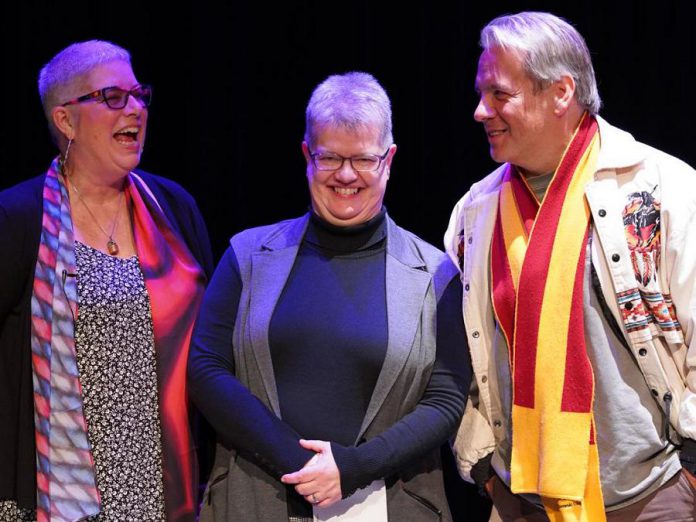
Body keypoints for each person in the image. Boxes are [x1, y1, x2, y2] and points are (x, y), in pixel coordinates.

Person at [445, 11, 696, 522]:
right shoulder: (475, 213)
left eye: (499, 94)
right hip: (523, 501)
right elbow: (464, 353)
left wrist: (689, 468)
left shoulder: (662, 189)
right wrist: (484, 473)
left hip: (651, 497)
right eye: (481, 93)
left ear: (561, 92)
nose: (480, 111)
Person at [188, 71, 472, 521]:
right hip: (256, 500)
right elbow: (206, 370)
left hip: (389, 503)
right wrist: (303, 467)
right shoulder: (248, 256)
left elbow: (446, 397)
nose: (345, 175)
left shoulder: (434, 274)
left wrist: (354, 468)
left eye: (362, 159)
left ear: (389, 159)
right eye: (329, 158)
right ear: (306, 154)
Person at [0, 40, 213, 521]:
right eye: (113, 97)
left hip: (162, 487)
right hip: (60, 493)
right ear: (65, 120)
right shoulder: (18, 219)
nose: (135, 109)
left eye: (139, 95)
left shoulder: (173, 210)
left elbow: (213, 349)